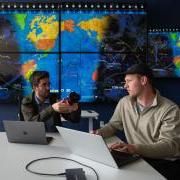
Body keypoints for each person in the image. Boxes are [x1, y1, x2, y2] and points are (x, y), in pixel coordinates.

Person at [93, 63, 180, 179]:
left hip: (163, 162)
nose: (125, 86)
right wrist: (99, 133)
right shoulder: (125, 102)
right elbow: (113, 125)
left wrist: (134, 148)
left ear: (143, 80)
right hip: (136, 157)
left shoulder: (170, 109)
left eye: (129, 81)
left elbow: (169, 147)